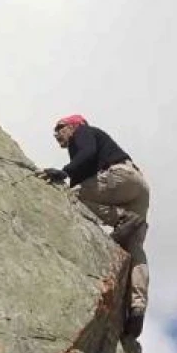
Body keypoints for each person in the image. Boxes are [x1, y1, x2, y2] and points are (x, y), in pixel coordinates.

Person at [38, 115, 150, 338]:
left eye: (59, 128)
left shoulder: (83, 132)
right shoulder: (92, 140)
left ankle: (122, 217)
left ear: (72, 125)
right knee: (133, 245)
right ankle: (137, 306)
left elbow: (86, 155)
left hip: (119, 176)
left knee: (72, 196)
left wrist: (64, 171)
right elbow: (86, 168)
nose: (56, 134)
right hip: (138, 186)